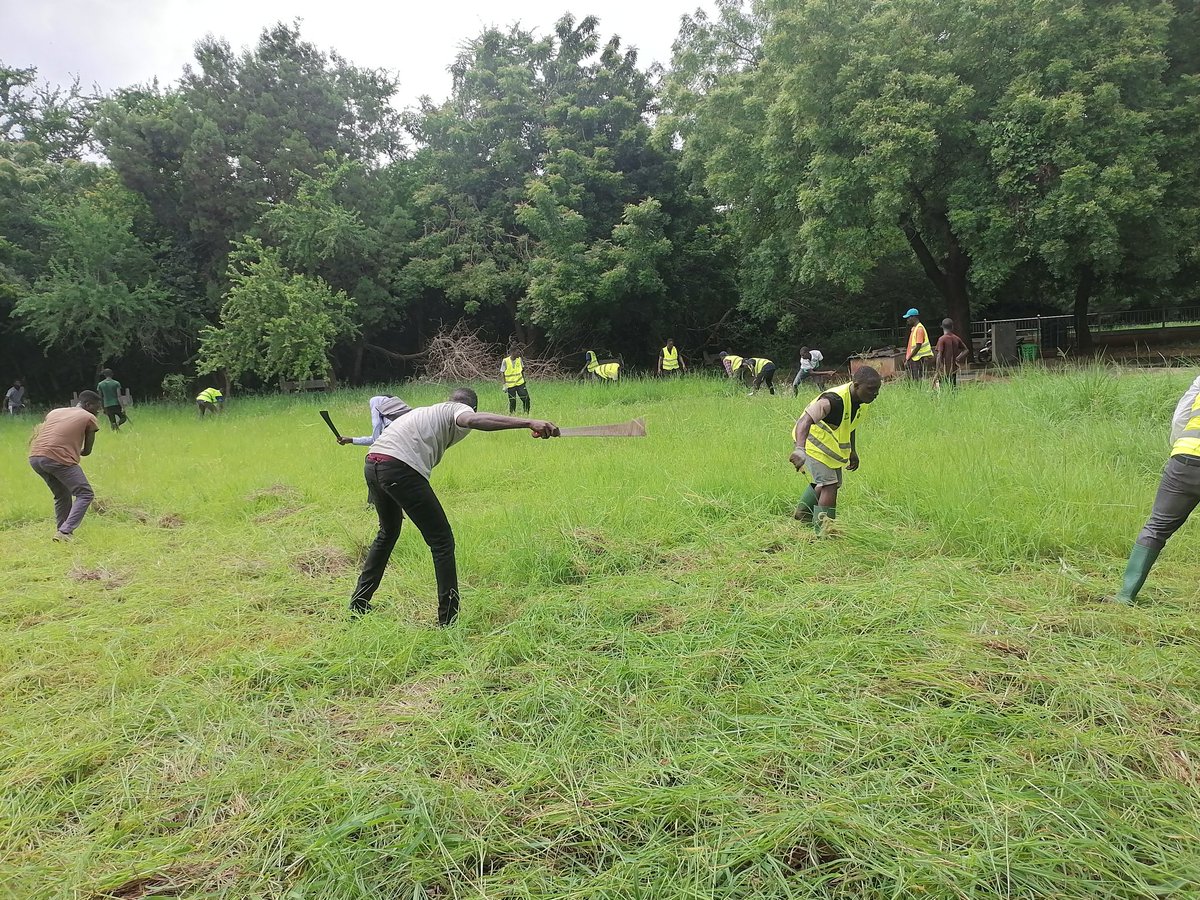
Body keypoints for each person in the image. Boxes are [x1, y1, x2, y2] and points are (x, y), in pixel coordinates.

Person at [348, 387, 559, 625]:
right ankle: (448, 620)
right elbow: (472, 419)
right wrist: (529, 422)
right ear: (470, 406)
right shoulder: (459, 410)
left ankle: (359, 604)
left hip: (373, 462)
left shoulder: (428, 411)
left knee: (388, 533)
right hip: (399, 467)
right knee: (441, 541)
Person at [1113, 374, 1200, 604]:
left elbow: (1180, 418)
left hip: (1184, 458)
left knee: (1156, 527)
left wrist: (1180, 451)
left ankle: (1125, 595)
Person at [789, 367, 882, 535]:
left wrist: (853, 451)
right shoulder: (833, 400)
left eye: (877, 389)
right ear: (856, 385)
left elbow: (850, 426)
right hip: (810, 442)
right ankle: (824, 532)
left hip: (828, 447)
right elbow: (804, 421)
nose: (875, 394)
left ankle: (803, 513)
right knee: (829, 485)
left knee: (832, 483)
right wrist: (800, 449)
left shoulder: (861, 402)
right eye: (871, 389)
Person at [28, 390, 102, 541]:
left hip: (35, 457)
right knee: (85, 493)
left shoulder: (55, 412)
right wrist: (76, 450)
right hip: (58, 459)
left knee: (62, 495)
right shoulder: (89, 417)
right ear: (88, 405)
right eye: (97, 407)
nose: (98, 410)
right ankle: (65, 531)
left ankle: (62, 532)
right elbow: (87, 451)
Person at [337, 395, 412, 446]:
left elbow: (376, 433)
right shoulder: (406, 416)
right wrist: (351, 440)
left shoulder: (376, 400)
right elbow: (376, 439)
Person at [934, 319, 969, 388]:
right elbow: (966, 350)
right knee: (952, 389)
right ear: (952, 327)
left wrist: (937, 369)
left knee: (944, 390)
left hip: (944, 370)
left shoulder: (942, 339)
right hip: (953, 370)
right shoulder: (956, 338)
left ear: (942, 327)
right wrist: (957, 358)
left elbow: (939, 355)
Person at [903, 308, 934, 379]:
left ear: (914, 317)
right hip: (915, 358)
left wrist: (908, 358)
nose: (907, 320)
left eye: (908, 317)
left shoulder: (919, 329)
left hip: (918, 359)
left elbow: (918, 346)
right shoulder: (915, 328)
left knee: (917, 380)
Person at [501, 347, 531, 414]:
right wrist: (504, 384)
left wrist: (524, 380)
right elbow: (502, 372)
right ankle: (512, 414)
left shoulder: (519, 359)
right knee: (512, 401)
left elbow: (522, 370)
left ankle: (526, 413)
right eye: (517, 352)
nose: (519, 353)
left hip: (520, 383)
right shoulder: (505, 361)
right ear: (512, 353)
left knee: (526, 398)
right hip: (510, 385)